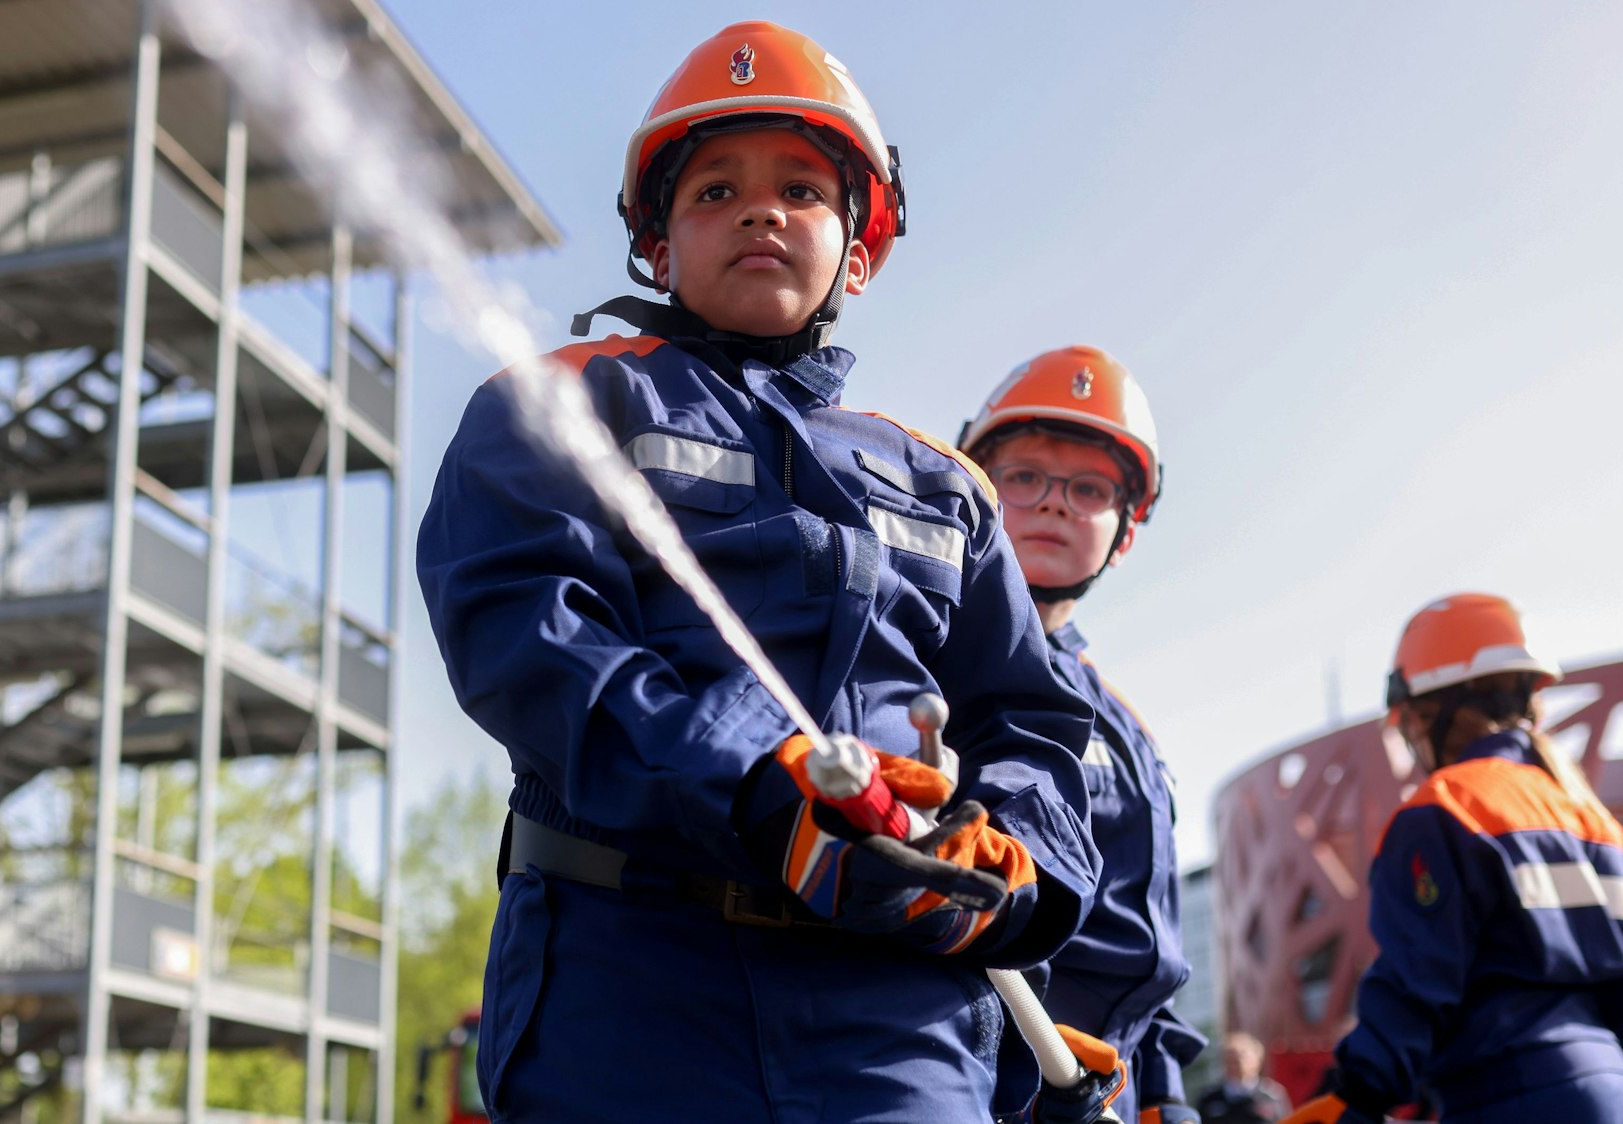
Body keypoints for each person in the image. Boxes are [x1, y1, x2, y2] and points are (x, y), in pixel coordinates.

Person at [417, 21, 1100, 1123]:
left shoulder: (945, 486)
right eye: (714, 191)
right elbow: (525, 630)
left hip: (896, 1022)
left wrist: (1007, 870)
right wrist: (752, 776)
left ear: (860, 249)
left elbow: (1034, 723)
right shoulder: (561, 405)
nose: (760, 209)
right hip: (628, 989)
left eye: (800, 189)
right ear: (656, 245)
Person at [958, 346, 1205, 1123]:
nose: (1055, 503)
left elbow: (1145, 942)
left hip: (1108, 1094)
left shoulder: (1124, 720)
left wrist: (1161, 1095)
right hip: (990, 1082)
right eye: (1024, 476)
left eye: (1089, 489)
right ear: (973, 488)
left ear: (1125, 531)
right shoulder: (921, 665)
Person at [1282, 594, 1623, 1124]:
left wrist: (1353, 1096)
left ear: (1438, 709)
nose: (1414, 739)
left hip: (1508, 1100)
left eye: (1413, 722)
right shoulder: (1593, 818)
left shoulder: (1443, 810)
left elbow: (1415, 982)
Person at [1198, 1032, 1288, 1124]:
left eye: (1240, 1058)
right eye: (1229, 1059)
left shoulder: (1271, 1096)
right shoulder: (1210, 1098)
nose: (1234, 1064)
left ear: (1257, 1060)